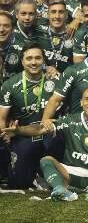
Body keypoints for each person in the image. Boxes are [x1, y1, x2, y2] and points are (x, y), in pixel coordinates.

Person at [1, 87, 88, 203]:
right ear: (81, 102)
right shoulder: (70, 121)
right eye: (87, 99)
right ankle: (60, 189)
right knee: (46, 160)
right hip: (70, 174)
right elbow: (40, 129)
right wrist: (19, 130)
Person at [0, 43, 57, 188]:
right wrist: (5, 135)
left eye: (38, 58)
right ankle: (31, 175)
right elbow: (2, 118)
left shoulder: (55, 81)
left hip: (48, 132)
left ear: (44, 60)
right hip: (22, 135)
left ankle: (47, 175)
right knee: (17, 183)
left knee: (53, 142)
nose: (33, 62)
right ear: (22, 61)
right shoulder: (10, 85)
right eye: (29, 58)